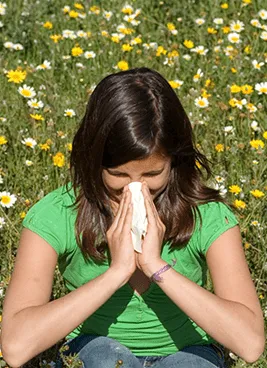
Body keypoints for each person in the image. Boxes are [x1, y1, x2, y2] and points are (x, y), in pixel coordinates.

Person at [1, 67, 265, 368]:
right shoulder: (57, 213)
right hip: (94, 347)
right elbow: (15, 346)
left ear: (175, 161)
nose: (135, 189)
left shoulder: (207, 214)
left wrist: (156, 266)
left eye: (153, 174)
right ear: (93, 161)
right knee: (105, 360)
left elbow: (250, 343)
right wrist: (117, 272)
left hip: (190, 350)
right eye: (117, 174)